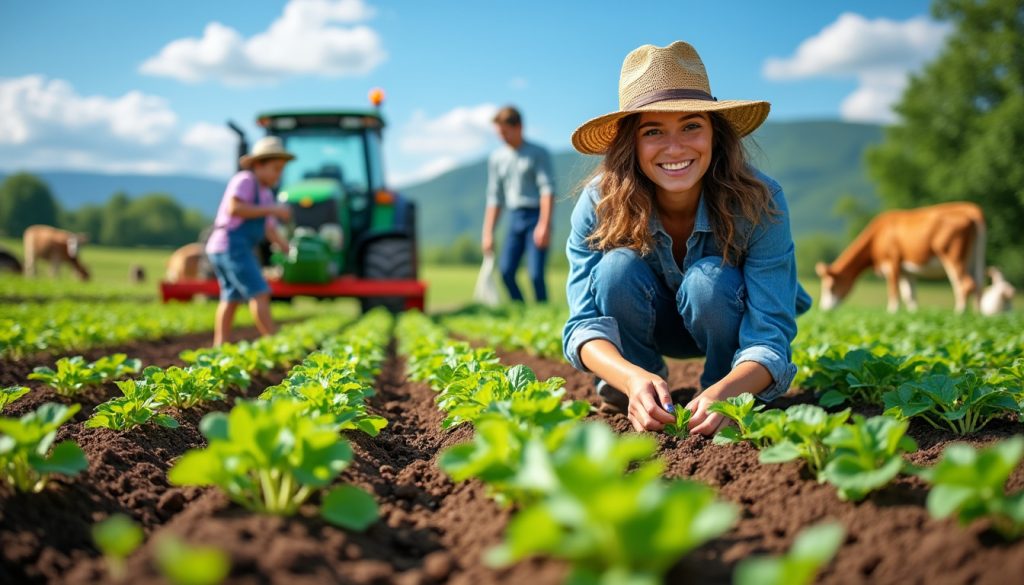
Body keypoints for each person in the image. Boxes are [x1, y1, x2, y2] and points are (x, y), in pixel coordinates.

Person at [562, 41, 813, 436]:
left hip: (725, 317)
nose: (675, 147)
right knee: (615, 270)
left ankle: (722, 392)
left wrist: (728, 393)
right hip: (644, 327)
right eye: (653, 131)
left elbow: (770, 336)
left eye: (691, 125)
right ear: (631, 142)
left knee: (708, 281)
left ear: (715, 133)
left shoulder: (760, 201)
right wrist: (630, 378)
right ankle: (640, 393)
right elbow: (583, 325)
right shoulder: (599, 203)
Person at [205, 136, 294, 346]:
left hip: (227, 247)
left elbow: (269, 229)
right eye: (275, 169)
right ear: (258, 165)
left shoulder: (265, 194)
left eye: (281, 170)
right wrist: (274, 209)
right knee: (260, 292)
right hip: (230, 245)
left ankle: (220, 346)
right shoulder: (245, 180)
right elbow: (235, 208)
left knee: (231, 297)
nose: (279, 174)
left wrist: (286, 248)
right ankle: (274, 342)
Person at [481, 106, 555, 303]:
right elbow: (495, 198)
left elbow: (547, 190)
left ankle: (543, 312)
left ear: (519, 127)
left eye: (505, 132)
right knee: (506, 272)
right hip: (514, 217)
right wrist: (488, 233)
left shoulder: (538, 153)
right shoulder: (497, 158)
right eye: (499, 133)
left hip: (536, 216)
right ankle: (521, 310)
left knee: (535, 274)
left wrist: (544, 224)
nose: (502, 137)